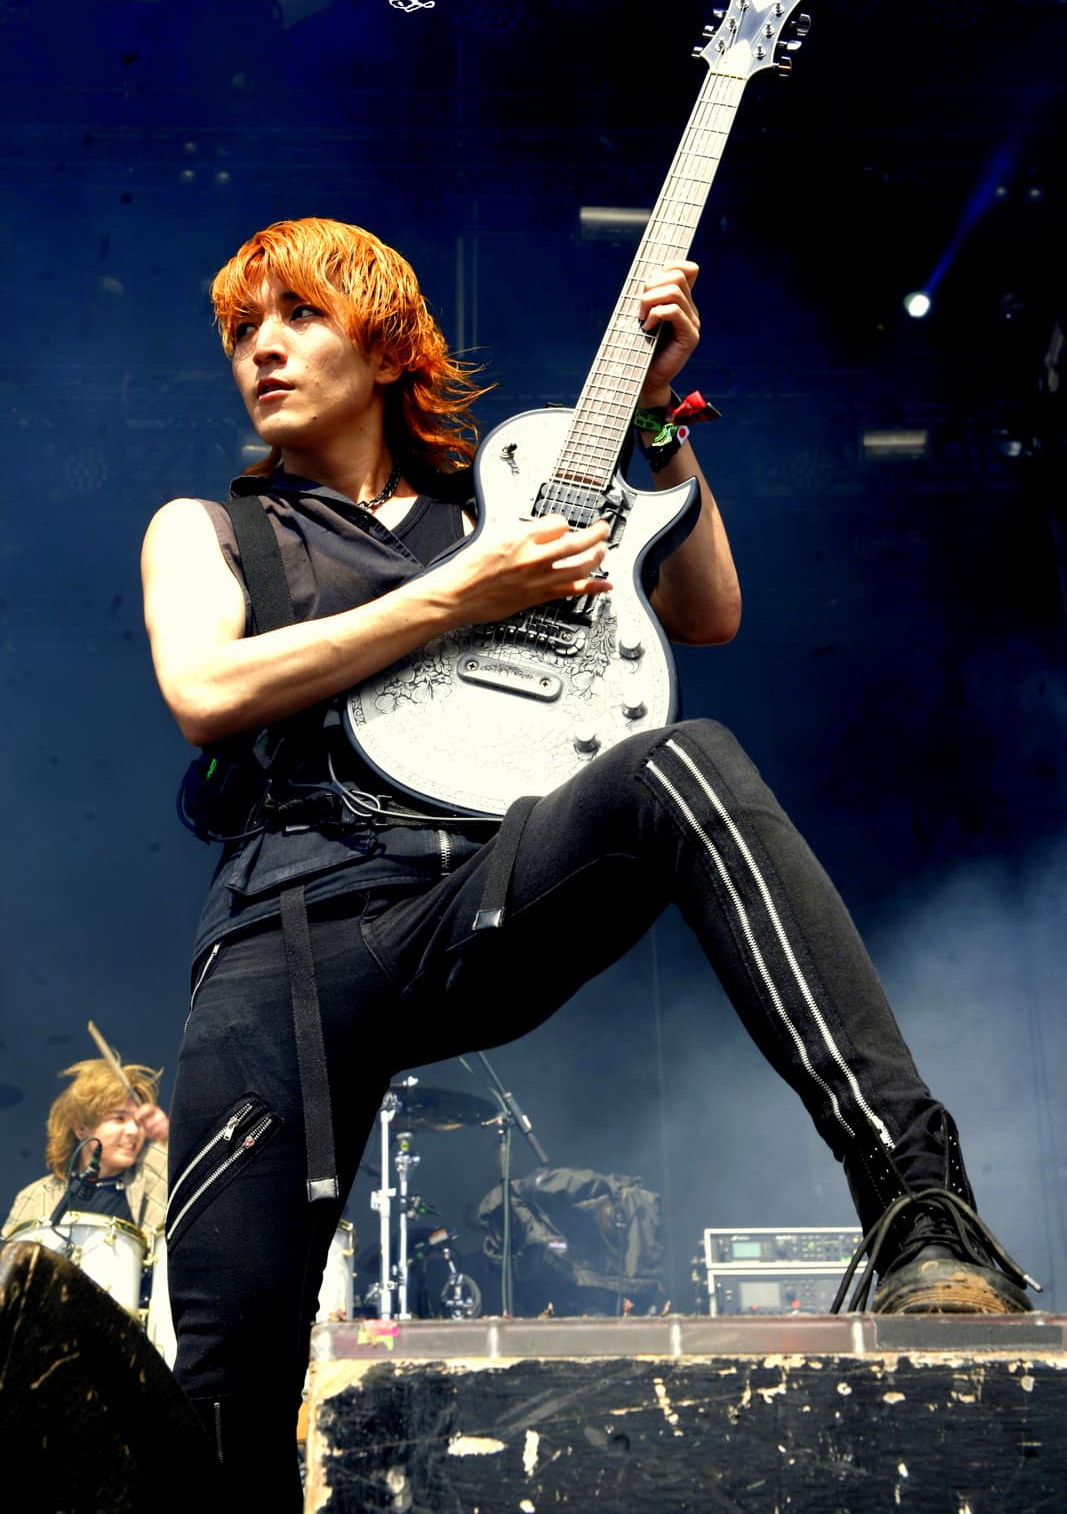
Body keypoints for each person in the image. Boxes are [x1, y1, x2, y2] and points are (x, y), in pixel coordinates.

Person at [141, 218, 1034, 1509]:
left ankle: (918, 1205)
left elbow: (705, 612)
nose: (260, 350)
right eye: (240, 331)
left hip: (466, 895)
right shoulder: (208, 530)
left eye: (298, 317)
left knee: (684, 760)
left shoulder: (498, 507)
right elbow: (202, 689)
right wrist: (463, 593)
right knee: (222, 1400)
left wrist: (657, 416)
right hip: (282, 944)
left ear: (385, 349)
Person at [3, 1058, 169, 1238]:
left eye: (139, 1122)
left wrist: (167, 1136)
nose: (134, 1131)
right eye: (119, 1118)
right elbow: (7, 1254)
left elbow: (184, 1162)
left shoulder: (156, 1172)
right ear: (81, 1129)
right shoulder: (34, 1196)